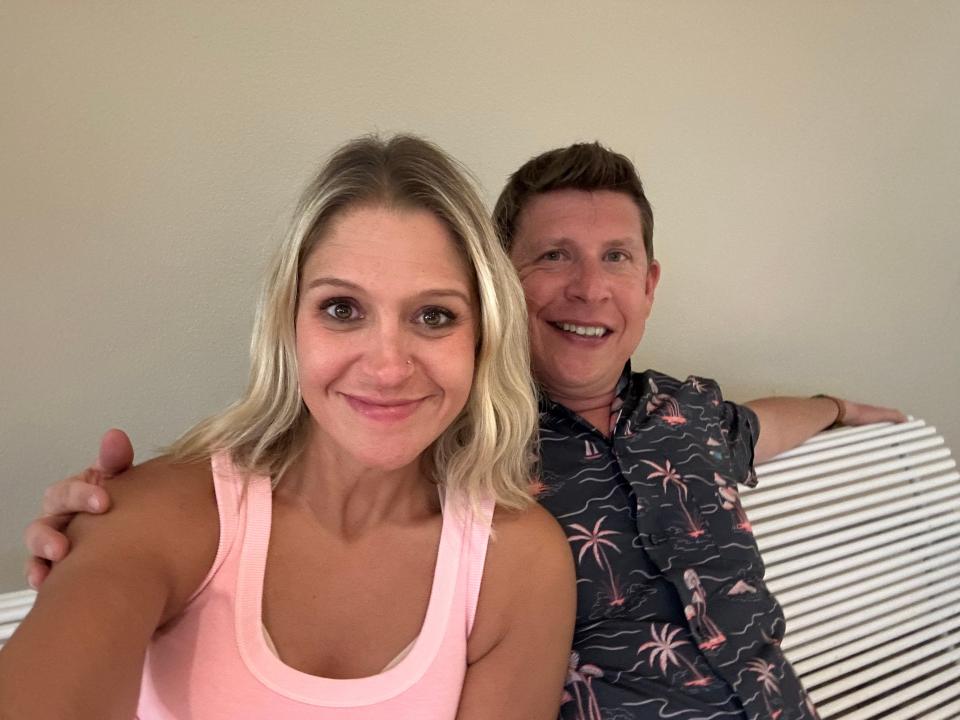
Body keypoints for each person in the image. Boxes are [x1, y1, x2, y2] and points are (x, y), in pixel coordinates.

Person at [21, 142, 905, 719]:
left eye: (616, 258)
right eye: (553, 255)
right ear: (502, 299)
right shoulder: (477, 458)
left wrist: (835, 406)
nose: (589, 288)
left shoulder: (692, 412)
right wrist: (108, 524)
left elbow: (765, 423)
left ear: (650, 282)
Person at [0, 135, 577, 719]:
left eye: (434, 316)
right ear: (288, 325)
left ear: (482, 339)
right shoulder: (167, 510)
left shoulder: (520, 563)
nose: (387, 367)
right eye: (342, 309)